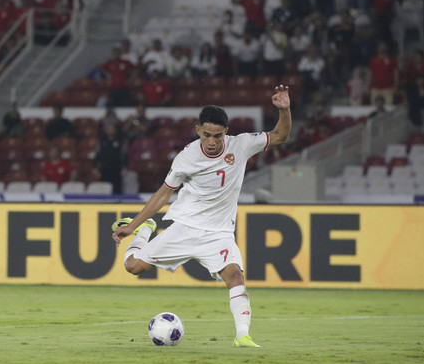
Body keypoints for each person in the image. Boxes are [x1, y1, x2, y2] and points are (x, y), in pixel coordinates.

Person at [111, 84, 292, 348]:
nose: (211, 141)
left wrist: (285, 110)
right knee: (132, 267)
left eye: (217, 136)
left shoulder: (240, 145)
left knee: (235, 277)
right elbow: (162, 195)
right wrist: (134, 225)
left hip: (219, 234)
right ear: (198, 130)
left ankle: (243, 336)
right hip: (185, 227)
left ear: (226, 133)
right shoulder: (186, 157)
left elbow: (280, 136)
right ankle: (147, 230)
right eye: (206, 134)